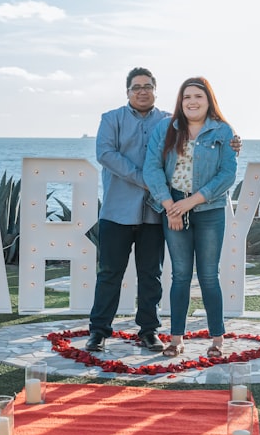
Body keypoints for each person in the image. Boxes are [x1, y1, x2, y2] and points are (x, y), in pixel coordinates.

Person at [143, 77, 238, 358]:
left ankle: (217, 340)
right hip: (172, 208)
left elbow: (227, 174)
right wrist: (171, 206)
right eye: (186, 97)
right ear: (180, 102)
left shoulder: (222, 131)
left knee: (209, 276)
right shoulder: (166, 128)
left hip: (209, 211)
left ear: (209, 100)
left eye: (198, 96)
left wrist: (189, 203)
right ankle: (176, 339)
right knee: (181, 275)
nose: (192, 102)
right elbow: (152, 168)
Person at [85, 67, 169, 352]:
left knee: (151, 274)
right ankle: (98, 331)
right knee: (109, 273)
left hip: (154, 213)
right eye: (136, 87)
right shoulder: (111, 119)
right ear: (128, 92)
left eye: (147, 86)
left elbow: (195, 143)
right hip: (116, 211)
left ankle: (149, 330)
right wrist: (145, 179)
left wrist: (233, 142)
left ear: (155, 89)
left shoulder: (170, 121)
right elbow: (105, 154)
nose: (142, 91)